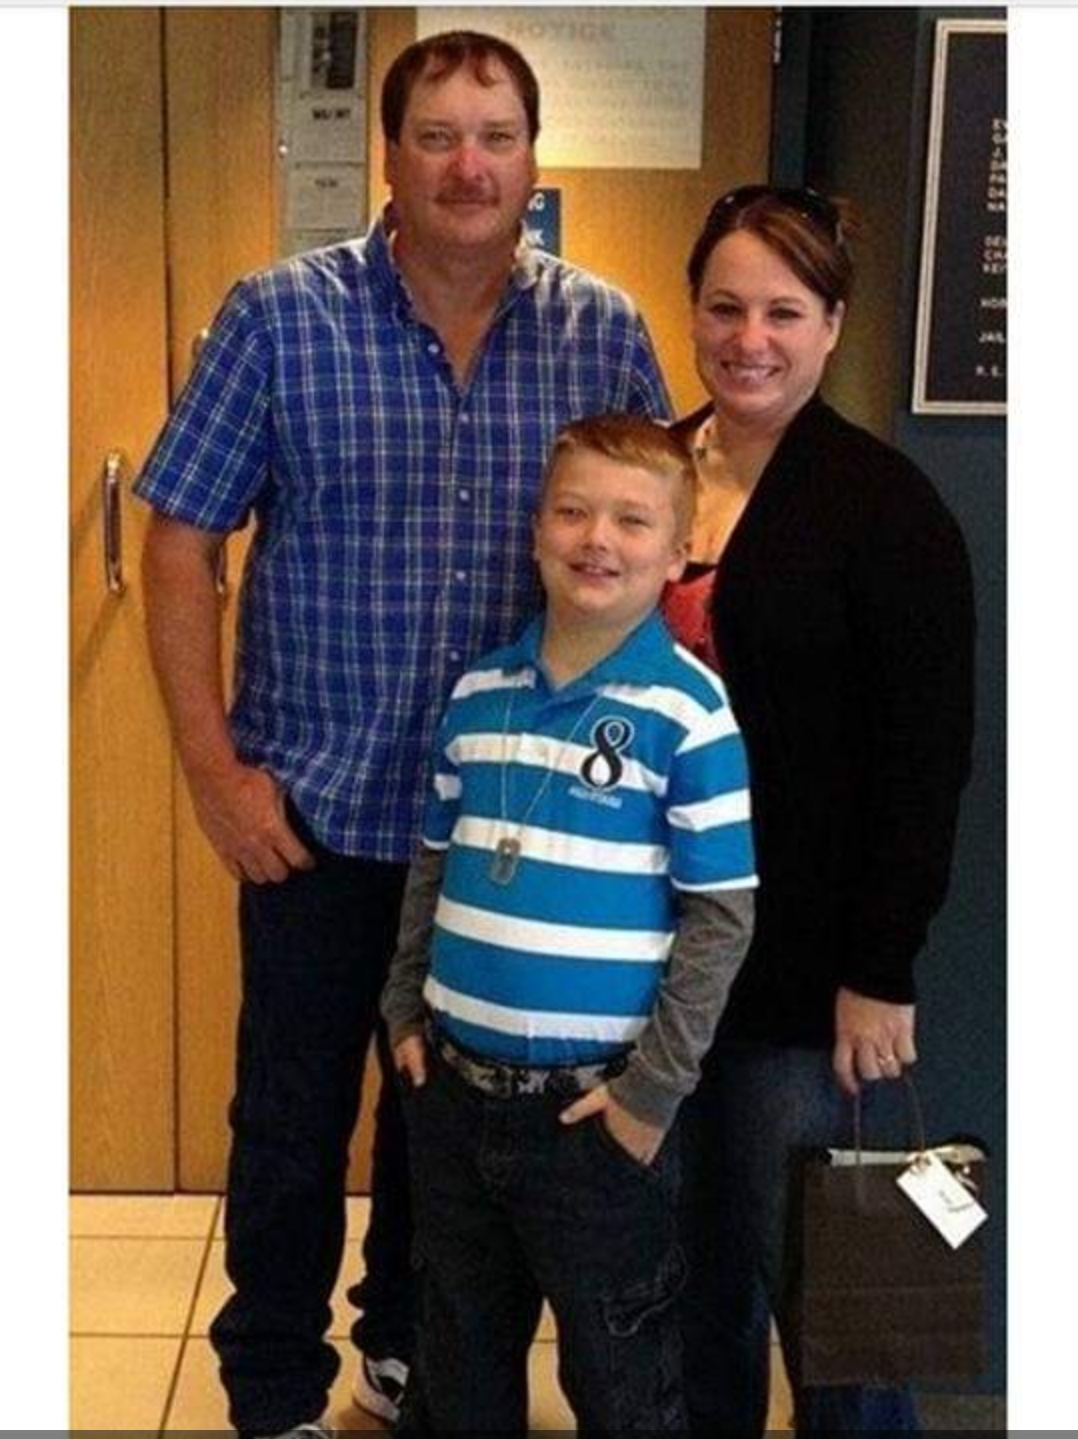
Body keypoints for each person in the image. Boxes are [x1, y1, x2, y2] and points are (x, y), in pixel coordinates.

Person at [134, 31, 671, 1439]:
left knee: (449, 1134)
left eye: (495, 135)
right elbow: (180, 539)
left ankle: (398, 1346)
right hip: (312, 815)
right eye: (437, 135)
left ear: (532, 156)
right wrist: (214, 773)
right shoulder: (279, 316)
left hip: (508, 837)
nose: (467, 165)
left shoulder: (601, 330)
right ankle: (271, 1386)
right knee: (291, 1123)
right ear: (391, 153)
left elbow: (647, 547)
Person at [660, 184, 976, 1434]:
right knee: (690, 1295)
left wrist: (878, 970)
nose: (750, 338)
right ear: (692, 311)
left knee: (834, 1307)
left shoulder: (885, 505)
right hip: (650, 967)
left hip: (801, 984)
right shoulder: (645, 471)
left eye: (783, 312)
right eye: (725, 307)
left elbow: (924, 760)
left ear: (833, 324)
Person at [380, 414, 758, 1432]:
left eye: (633, 520)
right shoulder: (478, 694)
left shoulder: (691, 711)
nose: (598, 538)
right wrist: (404, 1005)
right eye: (573, 511)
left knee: (623, 1377)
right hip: (453, 1096)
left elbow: (720, 917)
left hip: (598, 1113)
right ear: (537, 530)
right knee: (459, 1360)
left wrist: (649, 1094)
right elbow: (434, 862)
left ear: (677, 552)